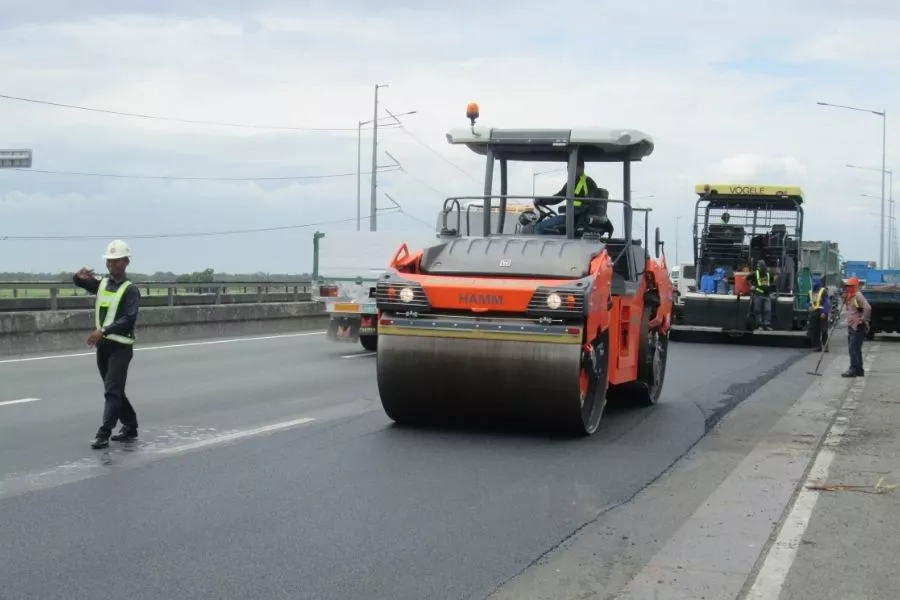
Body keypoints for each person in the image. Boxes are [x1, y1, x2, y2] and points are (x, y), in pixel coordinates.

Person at [73, 239, 142, 449]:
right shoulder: (103, 283)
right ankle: (130, 426)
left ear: (126, 262)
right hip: (103, 346)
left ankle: (104, 433)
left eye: (116, 261)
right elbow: (82, 283)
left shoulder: (130, 290)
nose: (112, 264)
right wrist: (78, 277)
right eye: (109, 261)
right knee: (114, 389)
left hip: (120, 348)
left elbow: (129, 319)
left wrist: (102, 330)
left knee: (112, 390)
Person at [534, 158, 610, 236]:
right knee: (555, 230)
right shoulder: (585, 181)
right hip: (577, 218)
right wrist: (543, 201)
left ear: (581, 167)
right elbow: (558, 197)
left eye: (570, 167)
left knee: (538, 228)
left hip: (575, 219)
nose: (568, 170)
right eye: (568, 167)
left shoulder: (584, 183)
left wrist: (540, 201)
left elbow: (557, 198)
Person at [842, 276, 871, 378]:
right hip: (852, 325)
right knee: (856, 349)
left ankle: (853, 369)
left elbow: (867, 307)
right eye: (847, 286)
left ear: (855, 286)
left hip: (858, 326)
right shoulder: (850, 295)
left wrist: (862, 319)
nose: (848, 288)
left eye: (850, 286)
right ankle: (859, 370)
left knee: (853, 349)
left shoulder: (858, 295)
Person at [747, 259, 775, 330]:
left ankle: (767, 325)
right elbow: (746, 278)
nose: (757, 267)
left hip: (767, 295)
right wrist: (751, 286)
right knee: (757, 310)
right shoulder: (755, 273)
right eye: (757, 266)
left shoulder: (768, 274)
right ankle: (759, 326)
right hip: (758, 294)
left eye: (759, 266)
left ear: (763, 266)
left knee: (767, 310)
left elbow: (772, 281)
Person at [807, 276, 831, 351]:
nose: (813, 284)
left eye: (815, 282)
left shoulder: (823, 291)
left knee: (824, 330)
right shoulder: (810, 292)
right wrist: (808, 307)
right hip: (814, 312)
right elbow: (807, 302)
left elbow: (826, 303)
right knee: (815, 331)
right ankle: (817, 346)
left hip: (822, 312)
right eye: (813, 282)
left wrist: (824, 312)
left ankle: (825, 345)